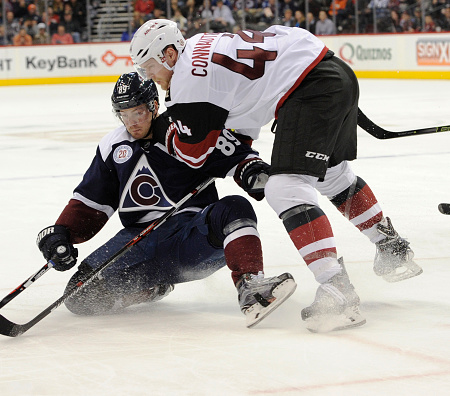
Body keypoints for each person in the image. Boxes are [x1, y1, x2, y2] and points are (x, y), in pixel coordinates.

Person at [129, 19, 423, 332]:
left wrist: (174, 135)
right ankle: (392, 247)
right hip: (334, 71)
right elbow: (241, 105)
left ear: (169, 54)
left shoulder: (188, 80)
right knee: (332, 176)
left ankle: (337, 290)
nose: (148, 74)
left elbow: (193, 153)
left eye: (148, 65)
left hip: (309, 89)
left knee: (284, 188)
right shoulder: (203, 44)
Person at [36, 72, 296, 325]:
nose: (132, 122)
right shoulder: (113, 146)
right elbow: (91, 201)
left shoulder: (185, 130)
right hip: (139, 243)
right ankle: (151, 287)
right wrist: (63, 233)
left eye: (138, 112)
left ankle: (252, 286)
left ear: (153, 106)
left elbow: (234, 155)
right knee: (80, 295)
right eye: (124, 114)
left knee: (234, 207)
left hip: (192, 239)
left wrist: (250, 169)